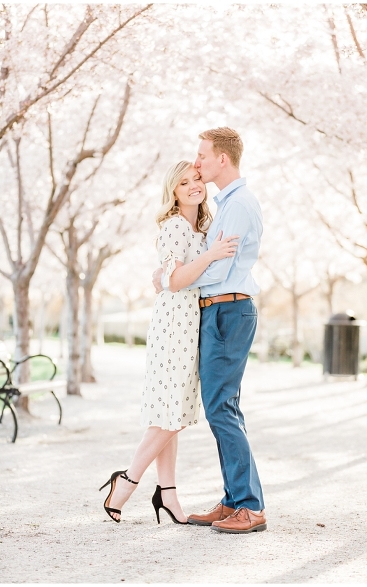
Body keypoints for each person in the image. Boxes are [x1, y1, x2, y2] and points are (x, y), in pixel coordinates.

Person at [100, 161, 238, 524]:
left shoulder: (200, 228)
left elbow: (170, 276)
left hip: (190, 321)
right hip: (175, 324)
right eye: (183, 183)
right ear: (173, 192)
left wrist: (172, 272)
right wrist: (209, 256)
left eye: (196, 179)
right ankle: (127, 480)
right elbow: (176, 280)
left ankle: (168, 494)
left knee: (170, 410)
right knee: (172, 413)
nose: (194, 185)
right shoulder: (176, 225)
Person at [154, 127, 266, 534]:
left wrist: (172, 277)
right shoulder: (228, 204)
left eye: (202, 156)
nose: (197, 163)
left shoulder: (236, 207)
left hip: (227, 311)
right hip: (219, 311)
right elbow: (205, 259)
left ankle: (249, 506)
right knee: (223, 407)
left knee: (221, 408)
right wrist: (171, 273)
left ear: (223, 159)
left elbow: (217, 267)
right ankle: (235, 498)